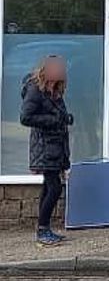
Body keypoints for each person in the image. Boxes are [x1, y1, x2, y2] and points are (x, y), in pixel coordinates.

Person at [21, 56, 73, 246]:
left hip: (57, 146)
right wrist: (54, 120)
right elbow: (25, 117)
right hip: (44, 147)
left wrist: (65, 118)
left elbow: (57, 115)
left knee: (48, 187)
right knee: (55, 187)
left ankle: (44, 228)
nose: (61, 72)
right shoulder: (36, 90)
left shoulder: (56, 91)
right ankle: (43, 229)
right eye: (57, 68)